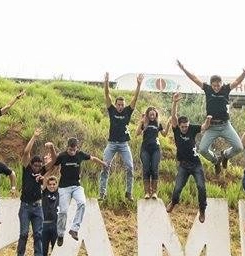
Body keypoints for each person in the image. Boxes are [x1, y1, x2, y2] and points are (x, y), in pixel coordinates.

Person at [175, 60, 245, 173]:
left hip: (225, 125)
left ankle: (225, 155)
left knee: (239, 147)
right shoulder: (207, 89)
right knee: (202, 150)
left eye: (218, 85)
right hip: (211, 126)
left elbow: (236, 81)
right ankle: (216, 161)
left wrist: (244, 73)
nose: (216, 87)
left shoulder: (226, 89)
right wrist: (184, 69)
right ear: (211, 85)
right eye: (214, 85)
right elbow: (195, 79)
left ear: (221, 83)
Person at [46, 138, 107, 243]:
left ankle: (74, 229)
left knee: (82, 203)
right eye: (70, 150)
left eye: (74, 150)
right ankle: (60, 234)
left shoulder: (80, 154)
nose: (72, 152)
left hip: (76, 186)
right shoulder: (62, 156)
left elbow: (92, 158)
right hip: (64, 187)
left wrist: (103, 163)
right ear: (67, 148)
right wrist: (45, 176)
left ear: (77, 148)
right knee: (63, 211)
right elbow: (53, 167)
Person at [98, 73, 143, 203]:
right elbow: (107, 95)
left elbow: (135, 98)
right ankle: (102, 194)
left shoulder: (128, 111)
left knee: (130, 167)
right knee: (105, 166)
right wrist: (106, 83)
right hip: (111, 144)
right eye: (118, 104)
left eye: (121, 105)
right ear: (115, 104)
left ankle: (129, 193)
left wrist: (139, 84)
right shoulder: (111, 110)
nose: (119, 107)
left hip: (124, 144)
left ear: (124, 105)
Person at [166, 92, 211, 222]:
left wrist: (208, 120)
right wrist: (174, 103)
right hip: (184, 165)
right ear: (179, 126)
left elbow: (204, 127)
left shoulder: (192, 128)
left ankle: (202, 209)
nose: (185, 128)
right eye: (183, 127)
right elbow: (173, 116)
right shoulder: (176, 129)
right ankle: (174, 202)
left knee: (201, 187)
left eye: (186, 126)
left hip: (196, 164)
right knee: (178, 187)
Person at [16, 128, 47, 256]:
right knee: (23, 234)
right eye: (35, 165)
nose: (37, 167)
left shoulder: (42, 171)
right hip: (25, 207)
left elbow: (54, 162)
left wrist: (52, 149)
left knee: (39, 235)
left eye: (39, 165)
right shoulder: (27, 169)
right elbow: (26, 153)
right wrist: (34, 137)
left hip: (38, 206)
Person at [135, 106, 168, 199]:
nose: (152, 116)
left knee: (154, 169)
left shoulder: (158, 123)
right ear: (147, 115)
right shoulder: (144, 123)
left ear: (156, 115)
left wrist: (168, 124)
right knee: (146, 169)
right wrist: (141, 122)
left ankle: (154, 192)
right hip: (145, 149)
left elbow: (164, 134)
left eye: (154, 114)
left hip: (156, 149)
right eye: (150, 114)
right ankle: (147, 192)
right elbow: (137, 133)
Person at [40, 176, 60, 256]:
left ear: (57, 184)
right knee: (43, 250)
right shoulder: (44, 193)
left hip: (55, 225)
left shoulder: (60, 193)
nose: (52, 186)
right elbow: (44, 179)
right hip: (44, 225)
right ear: (47, 185)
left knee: (55, 250)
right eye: (50, 184)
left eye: (54, 184)